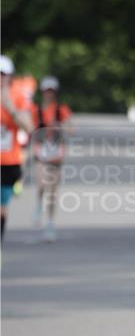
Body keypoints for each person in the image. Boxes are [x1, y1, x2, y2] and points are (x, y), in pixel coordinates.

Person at [31, 76, 73, 241]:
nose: (49, 94)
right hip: (41, 152)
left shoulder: (61, 110)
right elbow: (29, 129)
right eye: (46, 91)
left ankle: (50, 223)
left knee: (52, 191)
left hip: (56, 154)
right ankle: (38, 204)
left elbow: (71, 129)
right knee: (42, 183)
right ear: (42, 92)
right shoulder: (35, 110)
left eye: (52, 91)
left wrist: (60, 126)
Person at [1, 55, 34, 241]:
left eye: (3, 74)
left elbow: (29, 127)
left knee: (1, 208)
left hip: (8, 161)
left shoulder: (18, 97)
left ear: (10, 76)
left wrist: (10, 108)